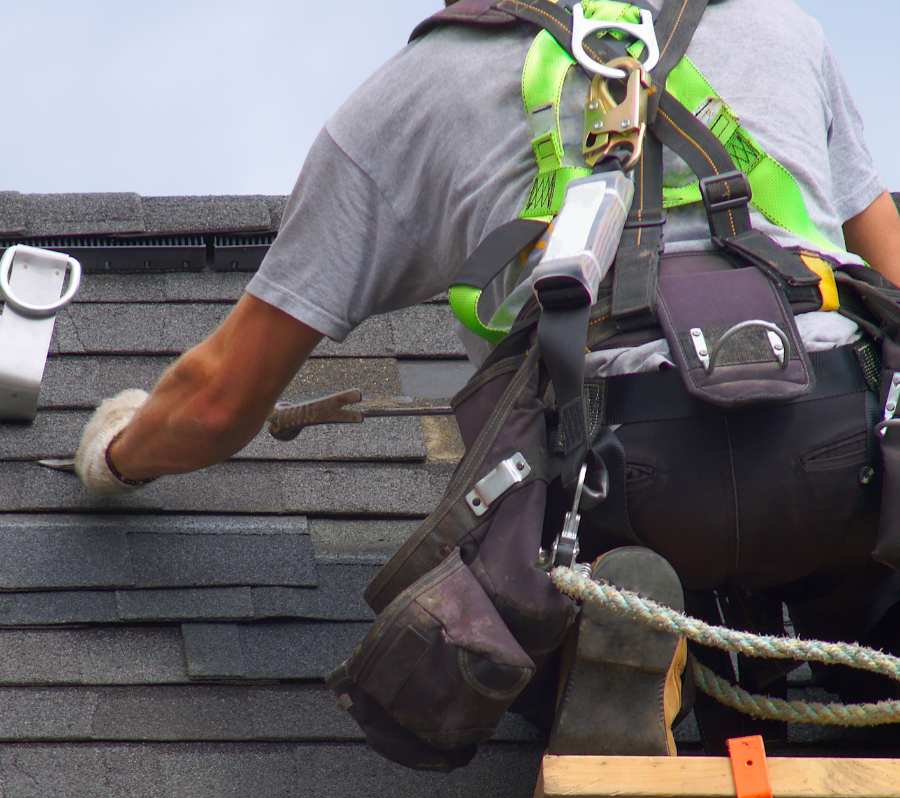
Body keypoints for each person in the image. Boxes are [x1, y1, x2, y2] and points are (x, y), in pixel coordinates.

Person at [75, 0, 900, 745]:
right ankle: (875, 649)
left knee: (525, 581)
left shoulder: (416, 94)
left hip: (618, 485)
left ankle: (598, 655)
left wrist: (115, 455)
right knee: (862, 561)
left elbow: (218, 400)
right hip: (837, 450)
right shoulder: (780, 27)